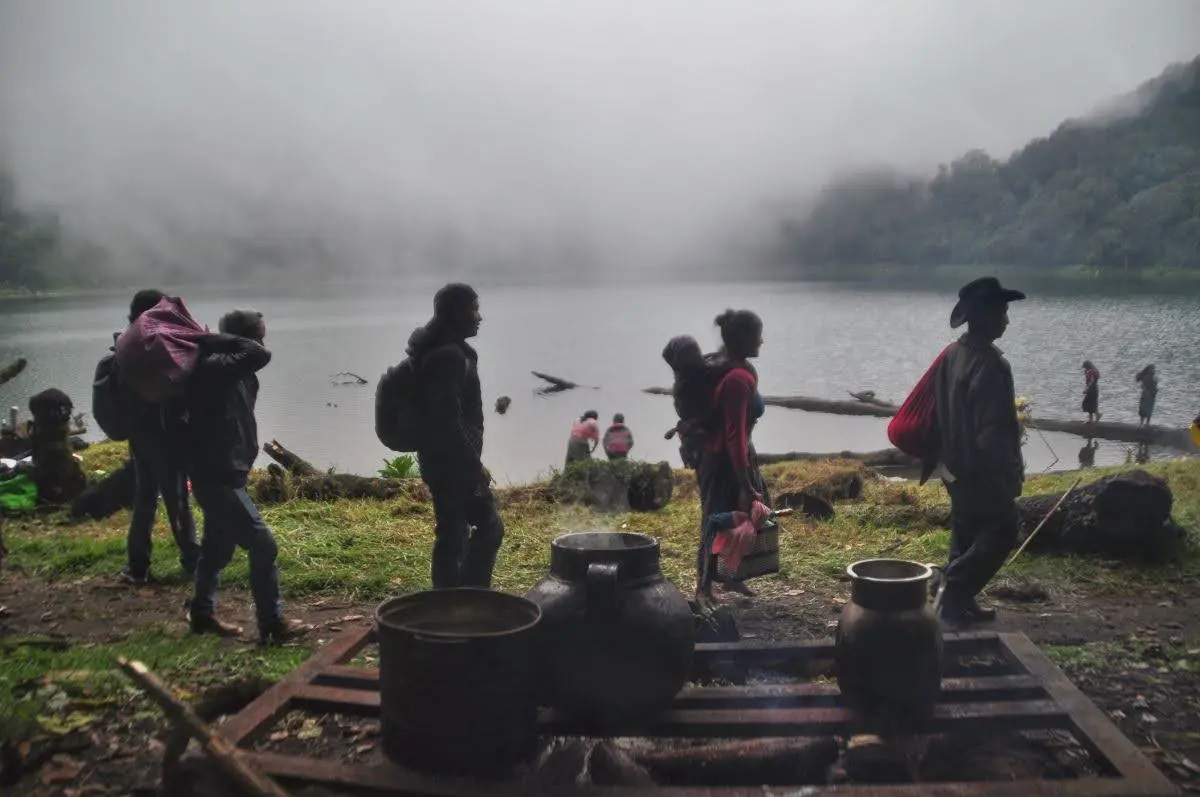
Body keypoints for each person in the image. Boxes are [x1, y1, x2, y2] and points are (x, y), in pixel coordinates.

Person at [180, 309, 310, 644]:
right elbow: (257, 353)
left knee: (216, 549)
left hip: (228, 472)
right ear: (239, 339)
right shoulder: (213, 367)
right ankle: (272, 622)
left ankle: (202, 613)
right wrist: (216, 339)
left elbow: (253, 357)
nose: (263, 343)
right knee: (263, 545)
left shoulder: (230, 369)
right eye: (258, 335)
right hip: (215, 475)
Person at [933, 277, 1026, 625]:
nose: (1006, 320)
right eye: (1001, 313)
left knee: (966, 532)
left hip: (953, 464)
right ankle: (949, 592)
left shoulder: (952, 355)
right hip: (981, 470)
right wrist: (1008, 474)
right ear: (983, 316)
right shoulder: (991, 365)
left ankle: (959, 601)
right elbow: (994, 432)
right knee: (1002, 530)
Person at [408, 283, 505, 589]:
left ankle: (452, 599)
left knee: (452, 532)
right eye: (474, 309)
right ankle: (469, 596)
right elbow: (446, 421)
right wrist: (474, 466)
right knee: (488, 527)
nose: (479, 317)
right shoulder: (449, 357)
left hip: (442, 460)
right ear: (455, 312)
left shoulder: (440, 349)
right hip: (452, 463)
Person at [117, 289, 200, 585]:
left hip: (140, 440)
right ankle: (193, 561)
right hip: (167, 439)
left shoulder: (124, 347)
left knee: (144, 501)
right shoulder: (160, 348)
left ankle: (137, 566)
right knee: (177, 500)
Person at [696, 309, 768, 604]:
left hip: (738, 454)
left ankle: (732, 577)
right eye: (757, 336)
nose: (762, 341)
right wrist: (744, 481)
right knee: (715, 519)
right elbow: (733, 435)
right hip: (723, 459)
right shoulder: (737, 379)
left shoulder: (740, 369)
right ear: (743, 340)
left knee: (747, 516)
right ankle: (703, 586)